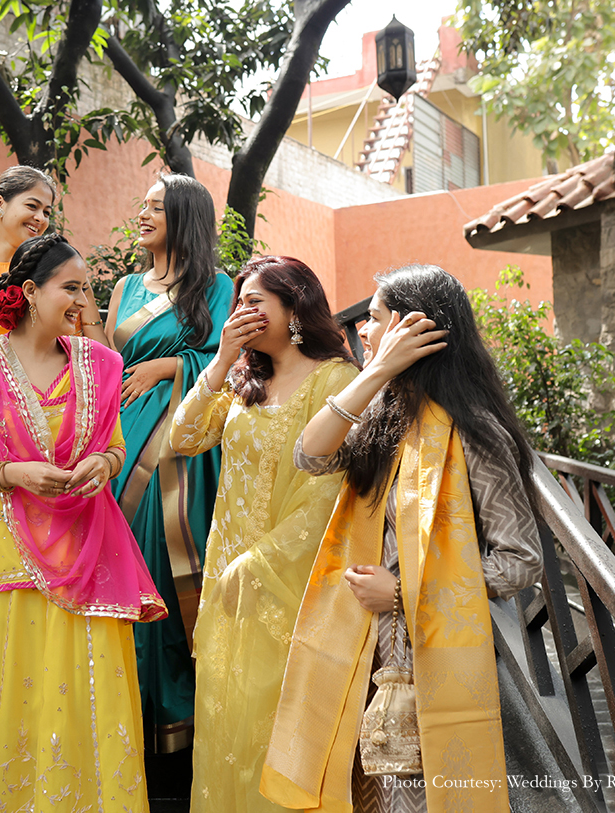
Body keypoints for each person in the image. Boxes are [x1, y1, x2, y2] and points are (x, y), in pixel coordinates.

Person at [262, 264, 543, 813]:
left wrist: (402, 591)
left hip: (426, 657)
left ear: (414, 329)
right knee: (357, 793)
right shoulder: (383, 417)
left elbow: (521, 561)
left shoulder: (473, 432)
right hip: (355, 646)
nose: (361, 332)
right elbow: (309, 454)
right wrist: (377, 372)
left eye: (373, 319)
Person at [0, 233, 167, 812]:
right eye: (72, 288)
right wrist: (13, 474)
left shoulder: (102, 364)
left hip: (86, 556)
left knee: (80, 702)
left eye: (88, 289)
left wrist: (100, 467)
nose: (85, 302)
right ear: (30, 292)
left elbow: (114, 448)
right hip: (0, 561)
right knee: (0, 704)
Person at [169, 256, 359, 812]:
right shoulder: (243, 378)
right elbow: (183, 438)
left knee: (277, 728)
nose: (244, 311)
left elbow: (330, 495)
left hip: (290, 588)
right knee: (226, 725)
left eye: (257, 301)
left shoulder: (336, 379)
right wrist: (223, 356)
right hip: (228, 587)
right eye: (240, 302)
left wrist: (257, 564)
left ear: (296, 305)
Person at [102, 173, 233, 753]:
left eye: (157, 207)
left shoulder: (217, 286)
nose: (144, 214)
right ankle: (124, 715)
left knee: (170, 568)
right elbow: (107, 359)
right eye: (144, 204)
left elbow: (228, 356)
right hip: (124, 444)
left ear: (184, 217)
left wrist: (171, 366)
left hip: (184, 449)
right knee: (121, 570)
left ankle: (180, 726)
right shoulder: (125, 286)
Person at [0, 166, 109, 396]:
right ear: (0, 203)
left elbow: (98, 361)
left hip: (59, 412)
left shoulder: (61, 272)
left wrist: (84, 292)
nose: (40, 218)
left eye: (47, 212)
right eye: (32, 206)